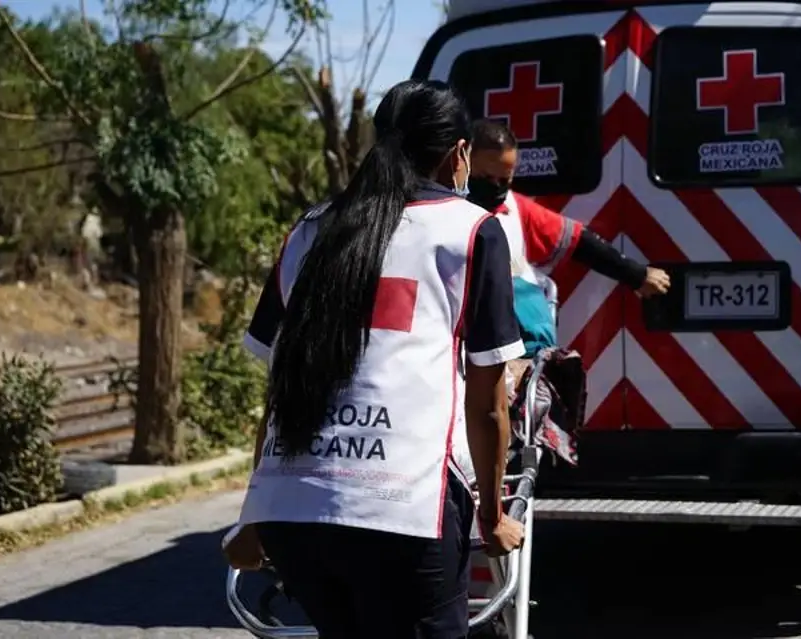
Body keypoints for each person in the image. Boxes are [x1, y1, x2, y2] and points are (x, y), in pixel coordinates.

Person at [233, 80, 526, 639]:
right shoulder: (471, 232)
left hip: (293, 518)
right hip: (406, 515)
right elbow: (487, 405)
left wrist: (254, 516)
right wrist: (492, 518)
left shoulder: (310, 231)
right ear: (460, 154)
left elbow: (280, 387)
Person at [466, 119, 670, 354]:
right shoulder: (434, 210)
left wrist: (636, 274)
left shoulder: (514, 210)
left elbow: (578, 240)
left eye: (505, 179)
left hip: (506, 348)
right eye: (485, 178)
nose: (496, 187)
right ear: (463, 162)